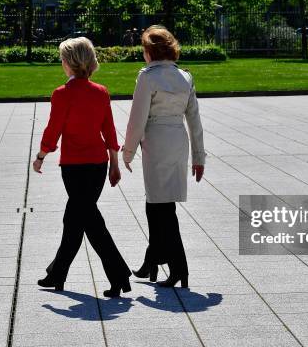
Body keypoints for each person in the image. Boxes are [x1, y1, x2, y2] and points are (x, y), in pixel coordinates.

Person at [34, 37, 132, 298]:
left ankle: (119, 272)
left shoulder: (62, 94)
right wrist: (114, 164)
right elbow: (109, 130)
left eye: (61, 59)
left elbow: (53, 130)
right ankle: (57, 274)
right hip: (98, 166)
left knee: (89, 221)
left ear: (68, 63)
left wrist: (40, 156)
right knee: (75, 220)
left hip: (75, 168)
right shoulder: (100, 91)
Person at [122, 25, 206, 288]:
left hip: (156, 141)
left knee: (162, 207)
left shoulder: (147, 77)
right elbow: (194, 119)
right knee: (157, 204)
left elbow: (138, 118)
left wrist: (128, 150)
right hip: (177, 140)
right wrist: (199, 156)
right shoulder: (185, 77)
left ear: (150, 52)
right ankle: (152, 260)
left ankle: (178, 267)